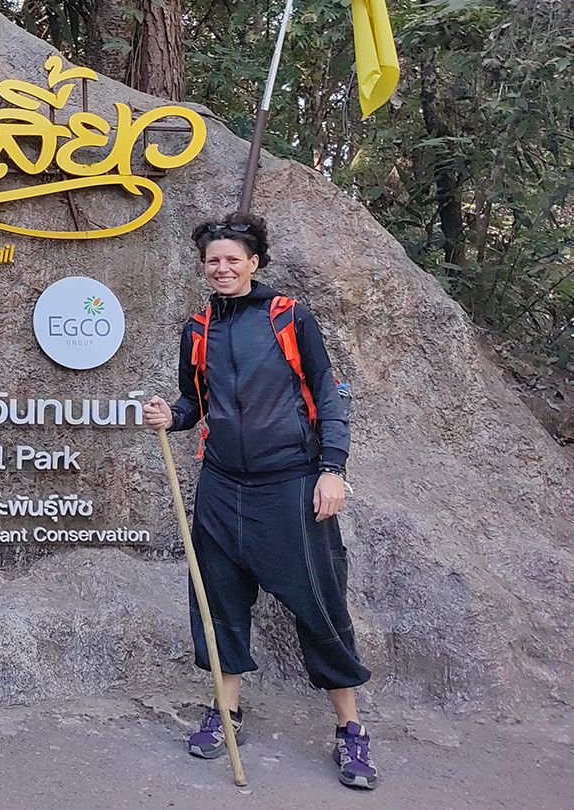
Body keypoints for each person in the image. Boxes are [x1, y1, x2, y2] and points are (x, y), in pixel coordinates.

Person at [143, 212, 378, 791]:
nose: (222, 269)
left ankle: (351, 731)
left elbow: (329, 392)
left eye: (232, 259)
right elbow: (192, 403)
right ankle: (226, 715)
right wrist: (168, 416)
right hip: (221, 486)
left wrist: (332, 470)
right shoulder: (197, 328)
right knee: (217, 598)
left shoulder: (288, 317)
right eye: (212, 261)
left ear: (255, 263)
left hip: (292, 483)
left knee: (318, 604)